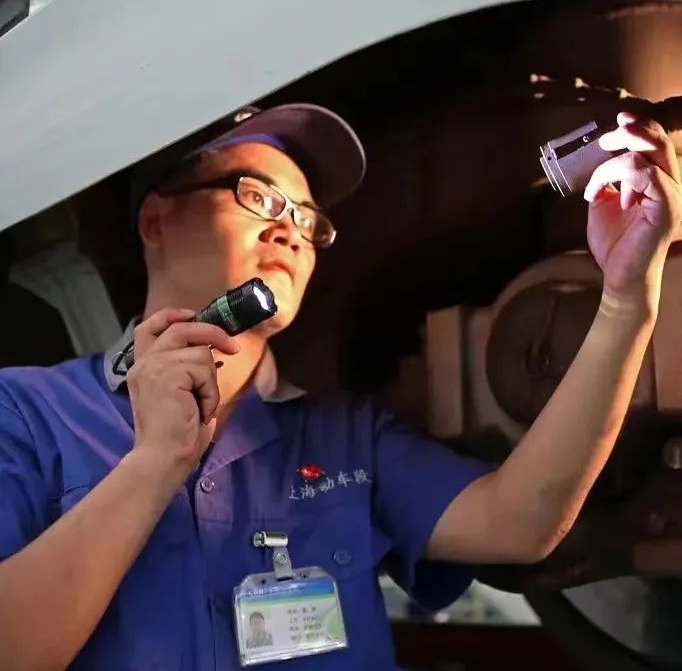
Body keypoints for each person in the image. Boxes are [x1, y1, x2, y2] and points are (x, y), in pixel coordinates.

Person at [0, 101, 679, 671]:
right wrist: (153, 465)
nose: (290, 232)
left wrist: (626, 299)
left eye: (307, 220)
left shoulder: (348, 440)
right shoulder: (27, 413)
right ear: (157, 221)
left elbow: (520, 523)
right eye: (259, 197)